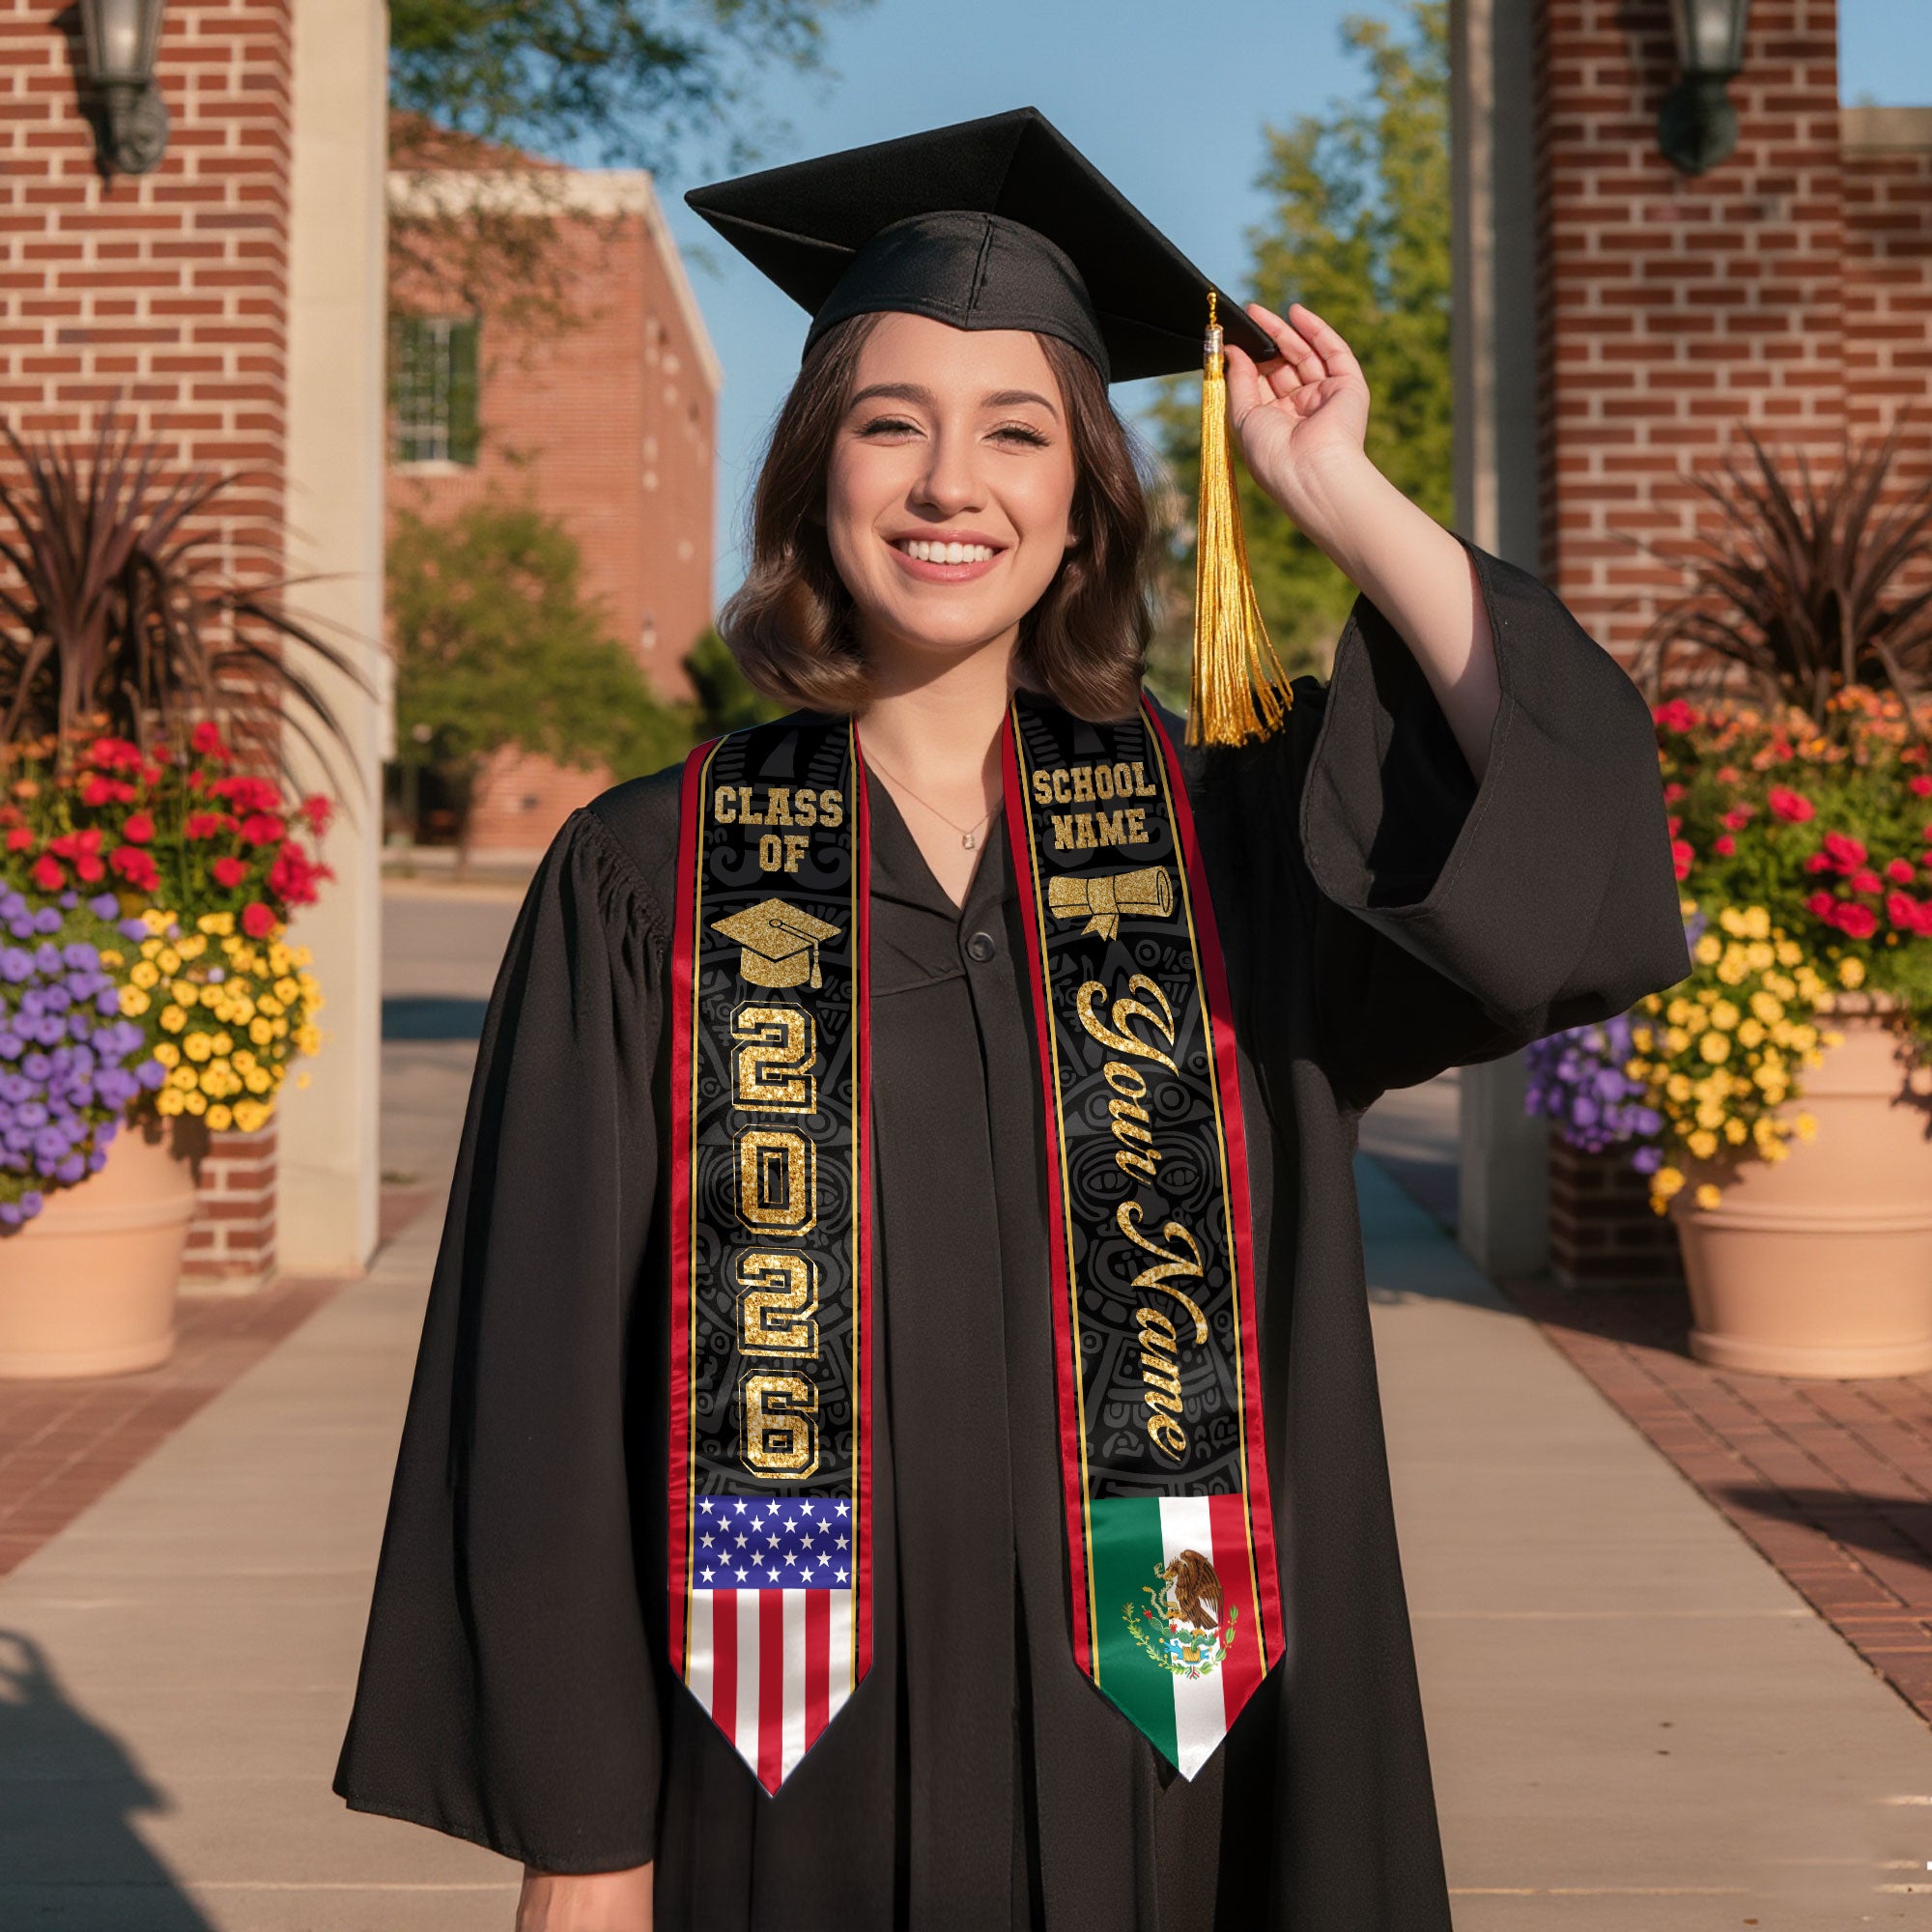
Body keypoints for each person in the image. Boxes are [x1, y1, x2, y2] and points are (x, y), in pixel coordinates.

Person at [332, 108, 1690, 1932]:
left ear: (1083, 503)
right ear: (818, 472)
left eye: (1016, 432)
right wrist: (585, 1845)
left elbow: (1560, 833)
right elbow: (545, 1386)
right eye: (892, 424)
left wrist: (1336, 492)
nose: (948, 483)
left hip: (1181, 1763)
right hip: (775, 1778)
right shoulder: (645, 876)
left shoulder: (1232, 854)